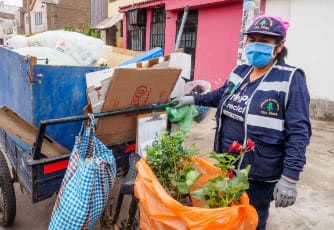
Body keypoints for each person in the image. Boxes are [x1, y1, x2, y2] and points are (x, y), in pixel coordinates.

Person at [173, 15, 311, 230]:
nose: (256, 45)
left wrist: (290, 178)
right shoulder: (241, 71)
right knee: (226, 212)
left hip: (259, 171)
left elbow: (299, 133)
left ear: (279, 45)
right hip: (227, 162)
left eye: (264, 41)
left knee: (252, 219)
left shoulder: (291, 79)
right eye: (252, 39)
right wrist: (192, 99)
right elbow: (221, 95)